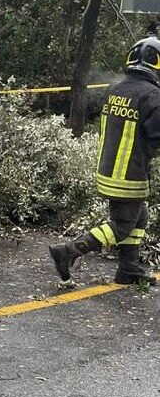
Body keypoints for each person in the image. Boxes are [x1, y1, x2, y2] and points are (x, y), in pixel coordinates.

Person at [49, 36, 160, 286]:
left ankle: (128, 269)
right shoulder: (152, 95)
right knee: (122, 225)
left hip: (109, 169)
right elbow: (156, 136)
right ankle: (68, 251)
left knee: (139, 217)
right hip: (130, 174)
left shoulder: (116, 89)